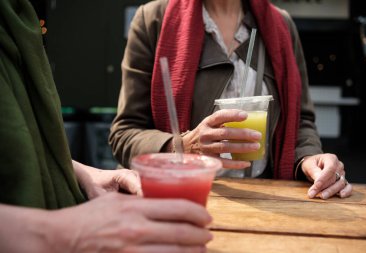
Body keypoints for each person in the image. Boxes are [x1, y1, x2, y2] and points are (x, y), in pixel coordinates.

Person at [0, 0, 212, 252]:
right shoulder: (154, 19)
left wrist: (83, 174)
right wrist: (62, 232)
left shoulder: (17, 12)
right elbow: (124, 131)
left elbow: (19, 142)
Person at [109, 0, 353, 200]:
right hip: (181, 199)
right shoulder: (153, 20)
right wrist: (180, 145)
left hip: (270, 203)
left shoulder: (281, 26)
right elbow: (124, 134)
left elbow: (300, 122)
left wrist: (310, 158)